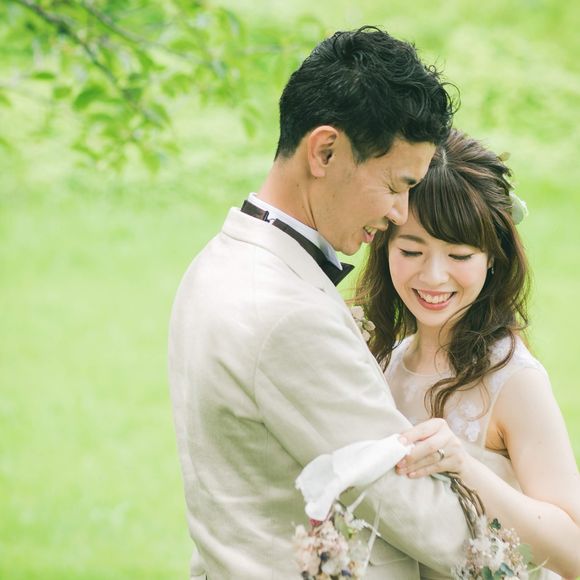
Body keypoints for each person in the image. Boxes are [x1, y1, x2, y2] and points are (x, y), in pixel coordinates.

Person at [168, 26, 473, 580]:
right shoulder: (287, 314)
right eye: (397, 185)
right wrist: (525, 505)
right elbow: (421, 520)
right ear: (325, 151)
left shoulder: (216, 261)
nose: (402, 214)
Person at [356, 128, 580, 579]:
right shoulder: (382, 361)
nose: (433, 276)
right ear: (384, 247)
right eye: (411, 250)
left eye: (459, 255)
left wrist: (463, 467)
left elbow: (573, 550)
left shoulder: (511, 378)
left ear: (492, 258)